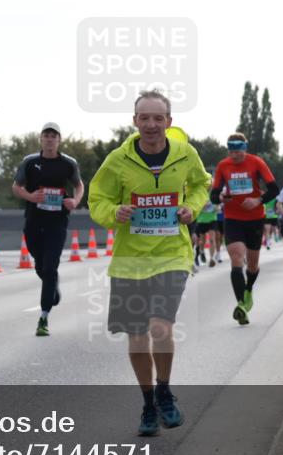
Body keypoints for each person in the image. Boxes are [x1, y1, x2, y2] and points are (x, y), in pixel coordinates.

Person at [88, 90, 210, 436]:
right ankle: (147, 403)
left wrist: (191, 208)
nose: (152, 125)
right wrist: (114, 212)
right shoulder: (117, 160)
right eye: (145, 118)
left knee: (160, 327)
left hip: (172, 254)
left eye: (158, 118)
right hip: (129, 260)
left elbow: (202, 185)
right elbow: (97, 199)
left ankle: (164, 391)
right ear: (135, 121)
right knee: (137, 336)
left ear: (169, 122)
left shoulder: (186, 154)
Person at [12, 123, 84, 336]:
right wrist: (30, 196)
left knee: (50, 267)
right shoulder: (30, 161)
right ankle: (52, 286)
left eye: (54, 136)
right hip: (34, 219)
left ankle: (43, 318)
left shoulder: (68, 163)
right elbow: (16, 186)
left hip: (57, 221)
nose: (50, 139)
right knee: (41, 266)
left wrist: (75, 201)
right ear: (41, 139)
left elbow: (79, 185)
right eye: (46, 135)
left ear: (59, 140)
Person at [210, 134, 278, 326]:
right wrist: (220, 198)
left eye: (238, 151)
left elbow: (274, 189)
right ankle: (241, 305)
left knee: (253, 265)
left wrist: (257, 200)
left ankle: (248, 290)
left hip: (255, 219)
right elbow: (214, 195)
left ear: (245, 149)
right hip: (233, 219)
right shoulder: (223, 166)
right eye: (231, 151)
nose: (234, 155)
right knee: (236, 258)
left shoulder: (256, 162)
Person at [194, 200, 218, 268]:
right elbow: (196, 208)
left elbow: (217, 207)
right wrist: (202, 207)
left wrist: (216, 208)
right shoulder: (200, 195)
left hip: (212, 219)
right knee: (202, 240)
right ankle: (201, 251)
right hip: (201, 220)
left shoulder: (212, 195)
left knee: (212, 239)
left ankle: (212, 258)